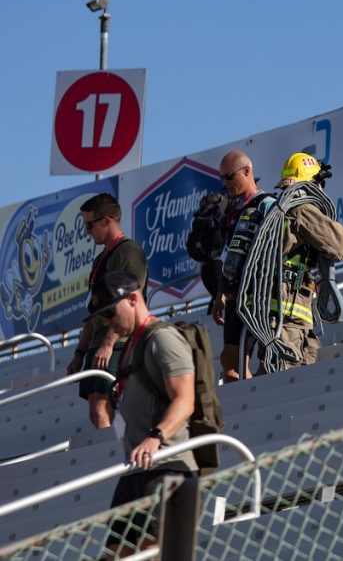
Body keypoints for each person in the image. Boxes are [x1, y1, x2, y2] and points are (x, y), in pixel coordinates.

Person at [92, 270, 196, 556]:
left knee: (154, 551)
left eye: (110, 312)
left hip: (167, 465)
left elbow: (185, 400)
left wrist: (156, 437)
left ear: (134, 299)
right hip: (137, 470)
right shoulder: (132, 346)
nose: (106, 321)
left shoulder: (163, 339)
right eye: (102, 316)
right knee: (116, 552)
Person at [236, 153, 343, 372]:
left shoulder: (279, 210)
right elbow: (339, 244)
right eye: (320, 183)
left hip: (288, 319)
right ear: (312, 183)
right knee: (283, 383)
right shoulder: (300, 210)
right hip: (286, 320)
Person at [66, 193, 149, 430]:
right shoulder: (98, 261)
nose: (87, 231)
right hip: (98, 345)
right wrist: (80, 353)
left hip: (119, 342)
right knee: (95, 409)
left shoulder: (129, 252)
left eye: (90, 224)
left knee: (102, 406)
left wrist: (109, 342)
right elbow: (93, 310)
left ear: (107, 220)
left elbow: (130, 303)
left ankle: (115, 462)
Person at [210, 151, 265, 383]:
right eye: (222, 179)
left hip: (258, 296)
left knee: (265, 359)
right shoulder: (234, 212)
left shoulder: (267, 205)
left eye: (229, 177)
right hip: (235, 296)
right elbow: (228, 254)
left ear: (246, 171)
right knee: (229, 360)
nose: (225, 184)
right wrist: (221, 293)